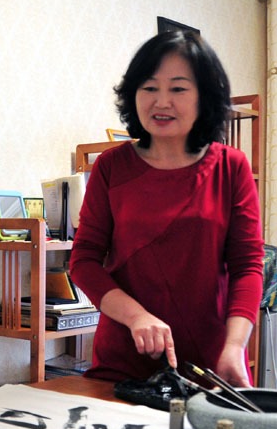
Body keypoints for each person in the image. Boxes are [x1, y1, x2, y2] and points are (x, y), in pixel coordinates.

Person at [69, 30, 263, 387]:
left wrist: (235, 346)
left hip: (212, 363)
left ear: (204, 96)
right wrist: (137, 317)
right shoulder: (111, 167)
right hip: (125, 360)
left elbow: (247, 266)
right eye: (149, 87)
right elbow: (83, 260)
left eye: (177, 89)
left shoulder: (231, 167)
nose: (162, 101)